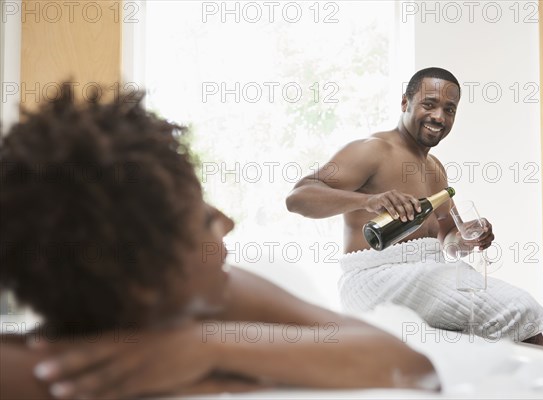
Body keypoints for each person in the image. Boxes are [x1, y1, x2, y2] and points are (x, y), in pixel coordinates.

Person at [0, 85, 440, 399]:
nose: (227, 222)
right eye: (203, 219)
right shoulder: (44, 369)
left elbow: (410, 365)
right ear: (145, 277)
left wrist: (207, 345)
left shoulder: (222, 296)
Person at [286, 67, 543, 349]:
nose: (439, 117)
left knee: (490, 346)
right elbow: (298, 198)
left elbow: (447, 237)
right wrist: (367, 201)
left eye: (450, 109)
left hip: (427, 275)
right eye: (429, 104)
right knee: (522, 309)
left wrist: (469, 236)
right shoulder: (373, 149)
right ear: (405, 103)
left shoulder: (436, 170)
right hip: (378, 280)